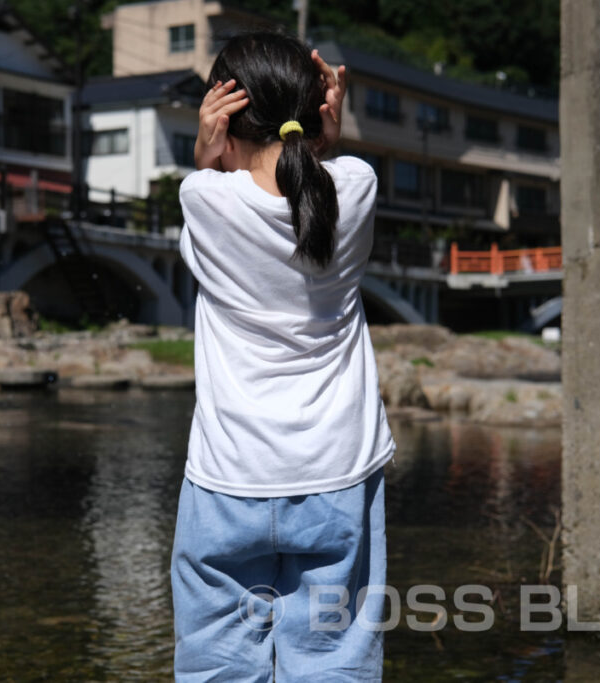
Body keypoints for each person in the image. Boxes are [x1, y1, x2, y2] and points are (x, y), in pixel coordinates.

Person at [171, 32, 396, 681]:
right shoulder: (356, 188)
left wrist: (203, 153)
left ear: (224, 117)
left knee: (218, 662)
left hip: (228, 479)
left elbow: (228, 183)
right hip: (338, 474)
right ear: (316, 112)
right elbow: (311, 178)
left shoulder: (204, 199)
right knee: (333, 660)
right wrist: (324, 132)